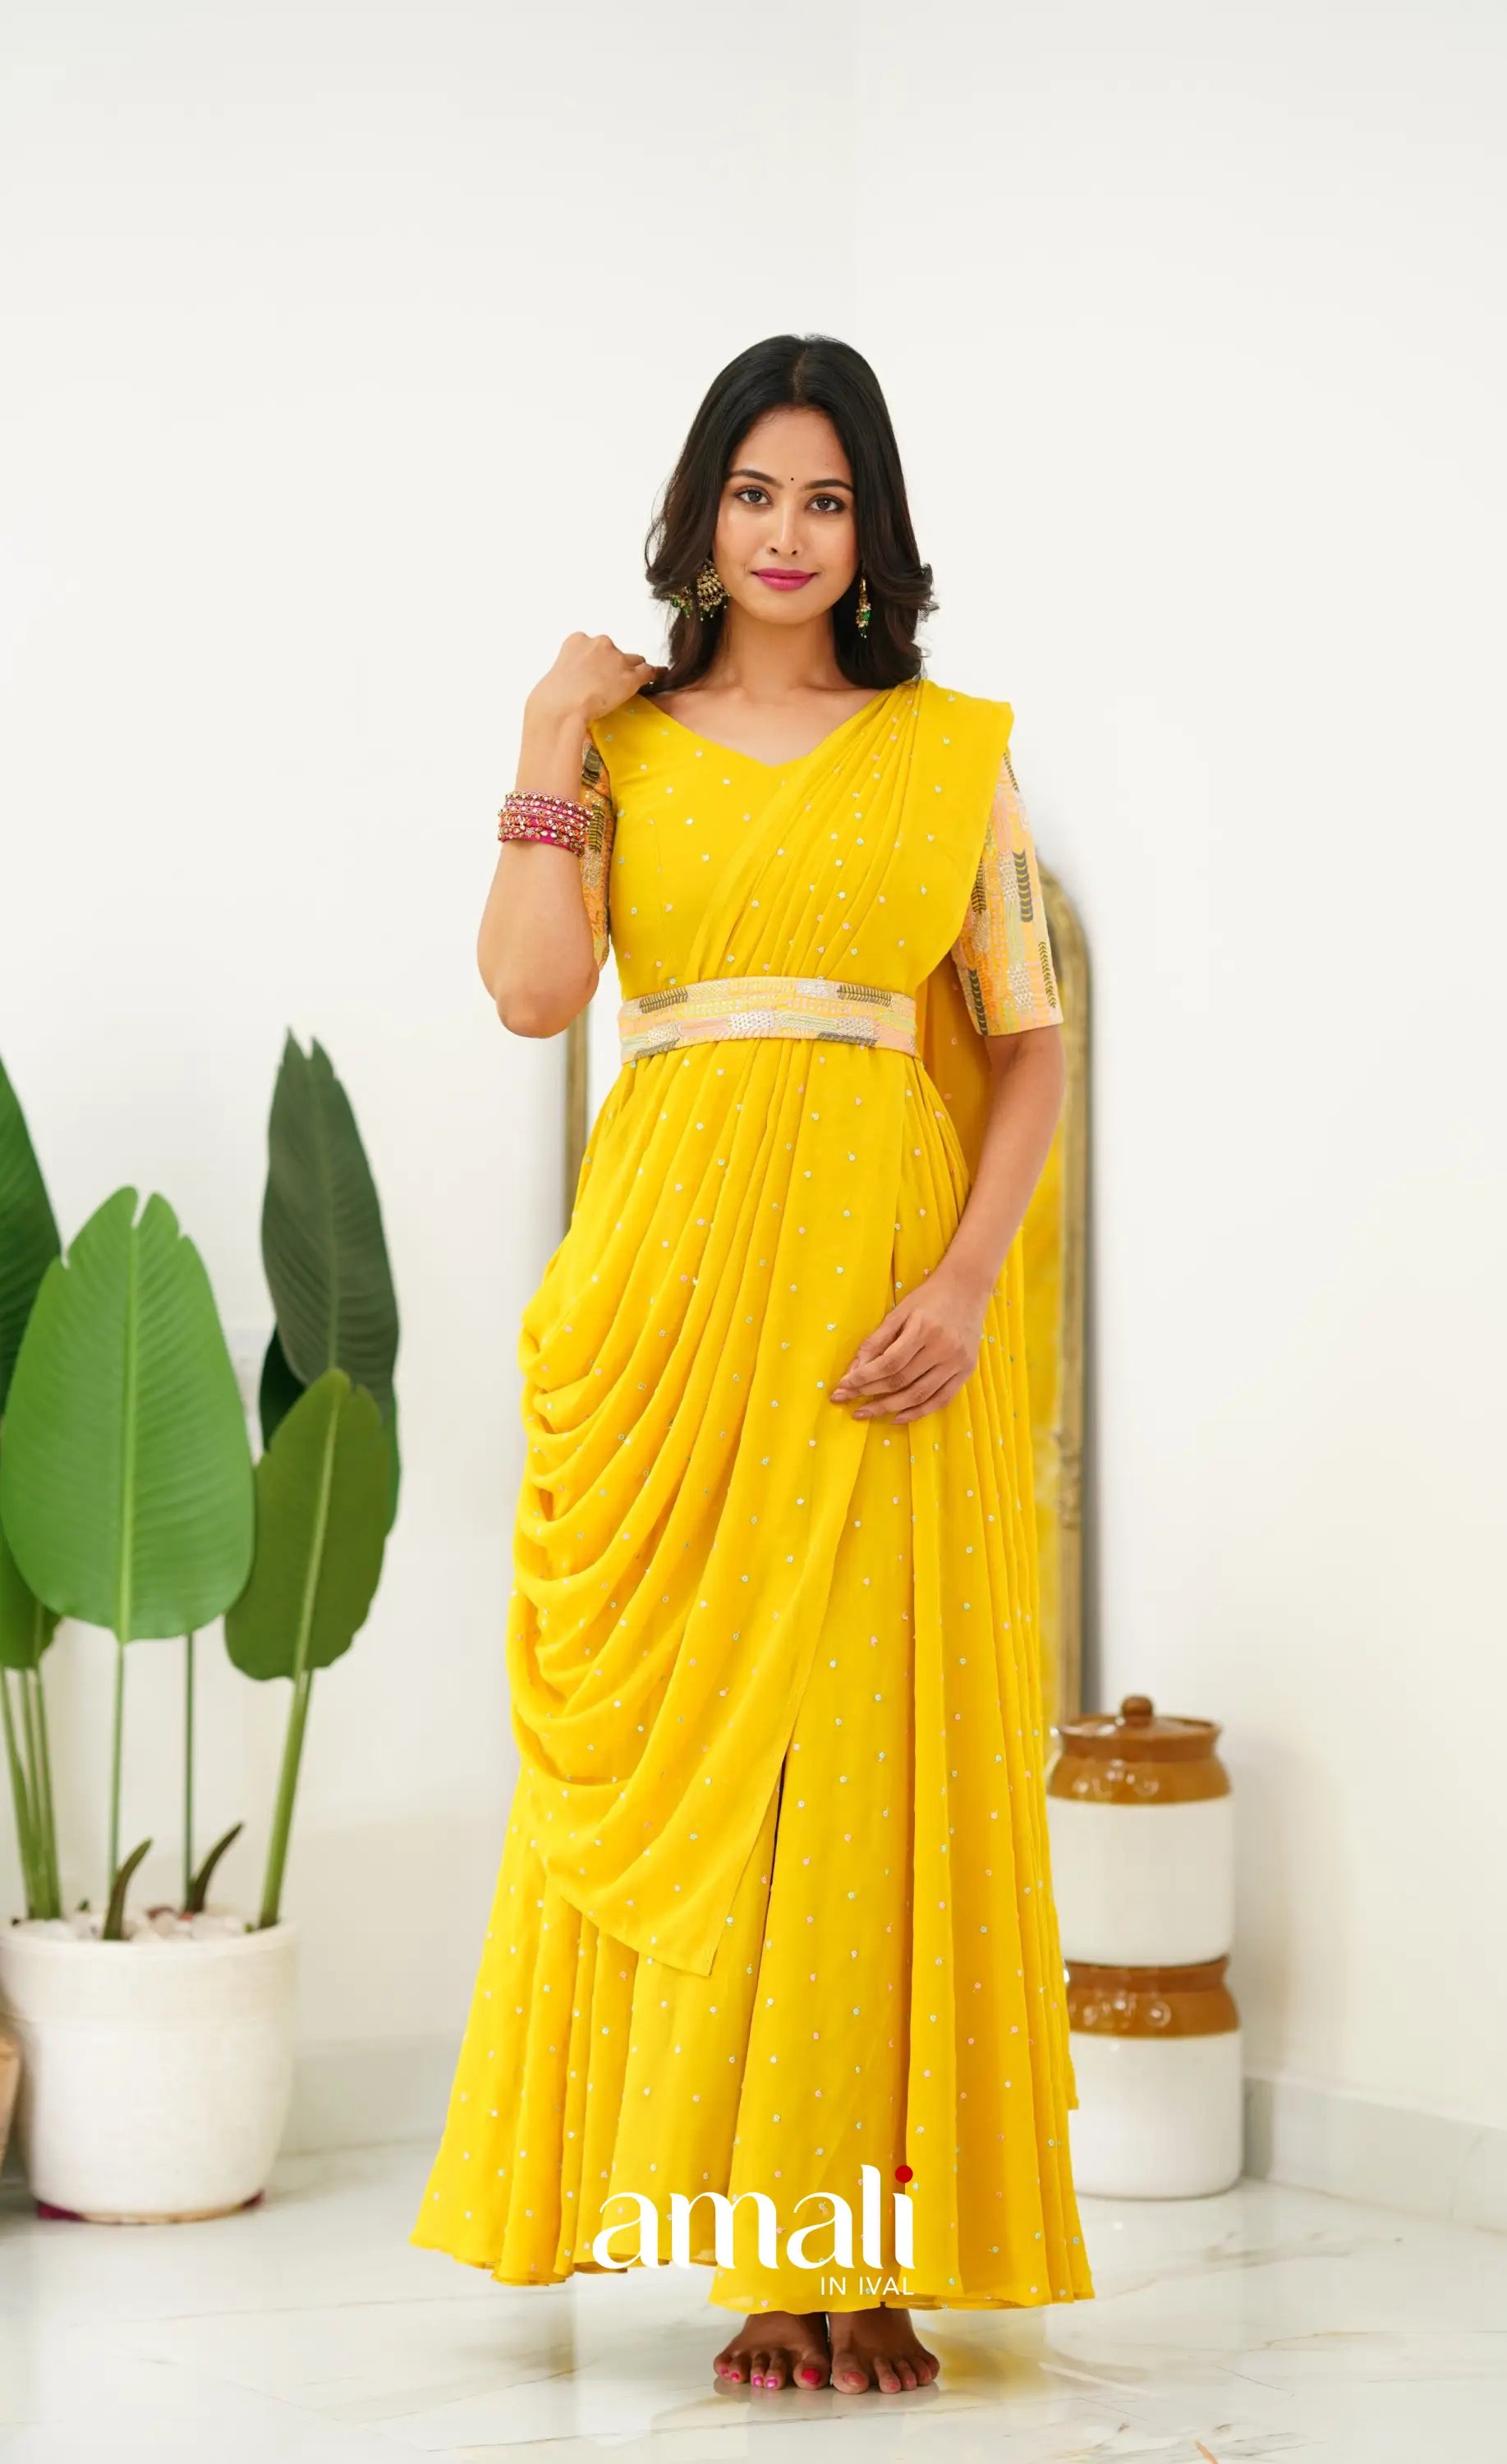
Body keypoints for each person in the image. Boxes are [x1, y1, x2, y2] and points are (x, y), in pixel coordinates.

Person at [412, 333, 1092, 2394]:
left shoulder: (952, 753)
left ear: (874, 530)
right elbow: (536, 993)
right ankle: (756, 2260)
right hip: (673, 1303)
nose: (788, 534)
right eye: (754, 493)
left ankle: (859, 2252)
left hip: (883, 1305)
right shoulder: (618, 749)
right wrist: (546, 726)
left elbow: (1031, 1040)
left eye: (827, 499)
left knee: (868, 1758)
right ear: (701, 513)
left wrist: (966, 1285)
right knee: (708, 1762)